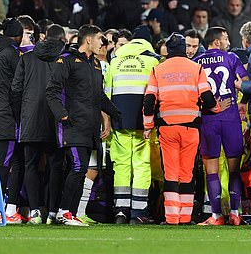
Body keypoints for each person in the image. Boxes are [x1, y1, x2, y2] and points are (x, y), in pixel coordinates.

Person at [143, 33, 230, 225]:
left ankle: (172, 218)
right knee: (187, 172)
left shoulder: (158, 70)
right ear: (184, 49)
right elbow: (207, 97)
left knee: (171, 173)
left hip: (167, 128)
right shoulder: (196, 68)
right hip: (191, 129)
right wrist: (216, 108)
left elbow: (149, 101)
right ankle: (185, 217)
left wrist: (148, 125)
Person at [46, 24, 121, 226]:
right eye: (100, 39)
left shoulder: (95, 64)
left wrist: (114, 112)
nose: (103, 44)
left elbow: (98, 96)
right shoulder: (67, 60)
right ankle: (63, 212)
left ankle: (69, 212)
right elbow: (51, 91)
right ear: (88, 40)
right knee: (78, 166)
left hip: (89, 126)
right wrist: (62, 115)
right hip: (72, 124)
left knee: (81, 169)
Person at [11, 23, 67, 225]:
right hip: (56, 119)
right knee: (56, 166)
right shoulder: (62, 59)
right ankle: (52, 212)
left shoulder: (26, 58)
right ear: (62, 40)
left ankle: (34, 211)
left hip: (31, 118)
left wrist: (21, 115)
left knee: (30, 165)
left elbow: (16, 90)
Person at [104, 25, 159, 225]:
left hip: (119, 119)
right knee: (142, 165)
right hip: (142, 121)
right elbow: (154, 94)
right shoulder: (153, 59)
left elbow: (107, 92)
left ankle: (120, 210)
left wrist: (107, 120)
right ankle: (138, 212)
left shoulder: (116, 60)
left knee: (121, 166)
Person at [194, 27, 249, 226]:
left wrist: (209, 105)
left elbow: (193, 93)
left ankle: (216, 216)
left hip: (209, 119)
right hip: (231, 118)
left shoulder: (196, 62)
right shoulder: (232, 58)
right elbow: (246, 82)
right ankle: (235, 213)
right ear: (216, 42)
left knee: (211, 169)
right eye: (225, 38)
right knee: (234, 169)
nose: (228, 41)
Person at [0, 18, 24, 223]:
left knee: (2, 161)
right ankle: (0, 209)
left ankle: (1, 207)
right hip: (8, 117)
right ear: (17, 36)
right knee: (7, 162)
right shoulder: (11, 53)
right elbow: (18, 87)